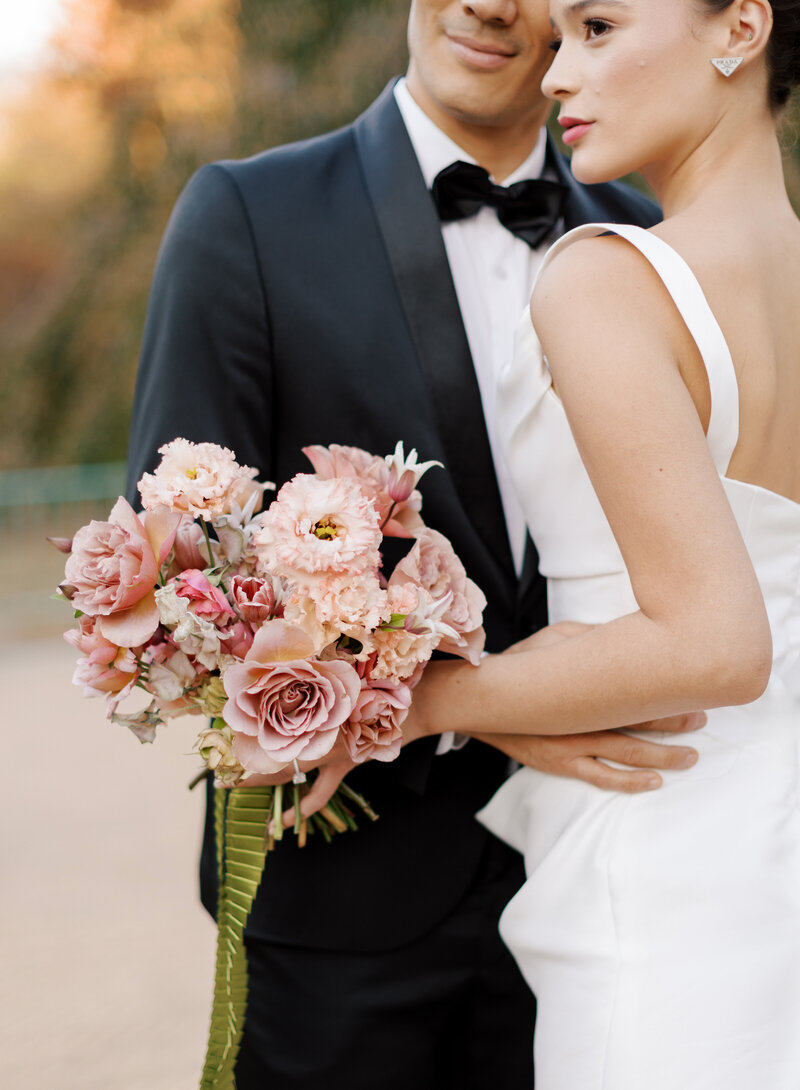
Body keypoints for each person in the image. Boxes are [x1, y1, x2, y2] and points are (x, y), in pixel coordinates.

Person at [125, 2, 703, 1087]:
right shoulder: (244, 215)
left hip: (601, 884)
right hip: (340, 901)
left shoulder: (650, 239)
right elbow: (181, 584)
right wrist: (491, 710)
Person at [310, 0, 799, 1086]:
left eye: (596, 27)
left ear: (738, 30)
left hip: (663, 860)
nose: (553, 73)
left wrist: (417, 701)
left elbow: (719, 642)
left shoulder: (604, 277)